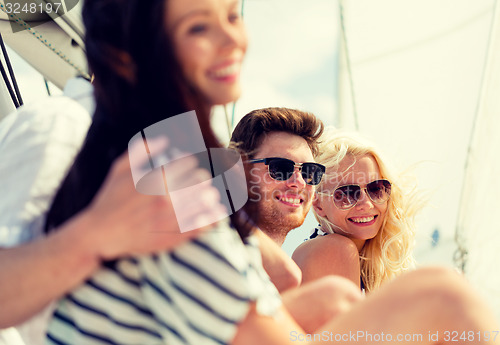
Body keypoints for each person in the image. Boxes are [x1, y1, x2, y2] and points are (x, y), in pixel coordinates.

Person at [43, 0, 500, 344]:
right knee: (443, 296)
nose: (234, 40)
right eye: (199, 26)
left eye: (232, 17)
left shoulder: (160, 153)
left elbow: (277, 277)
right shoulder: (158, 162)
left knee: (345, 301)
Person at [292, 129, 420, 291]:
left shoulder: (357, 259)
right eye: (346, 194)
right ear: (318, 205)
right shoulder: (335, 249)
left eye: (376, 189)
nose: (366, 203)